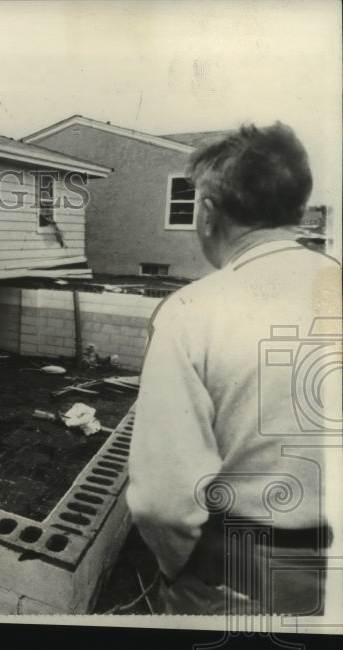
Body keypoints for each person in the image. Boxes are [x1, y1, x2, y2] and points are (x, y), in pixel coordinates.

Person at [127, 122, 341, 614]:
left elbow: (161, 501)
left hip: (242, 573)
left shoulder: (192, 312)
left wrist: (183, 570)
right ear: (298, 210)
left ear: (207, 212)